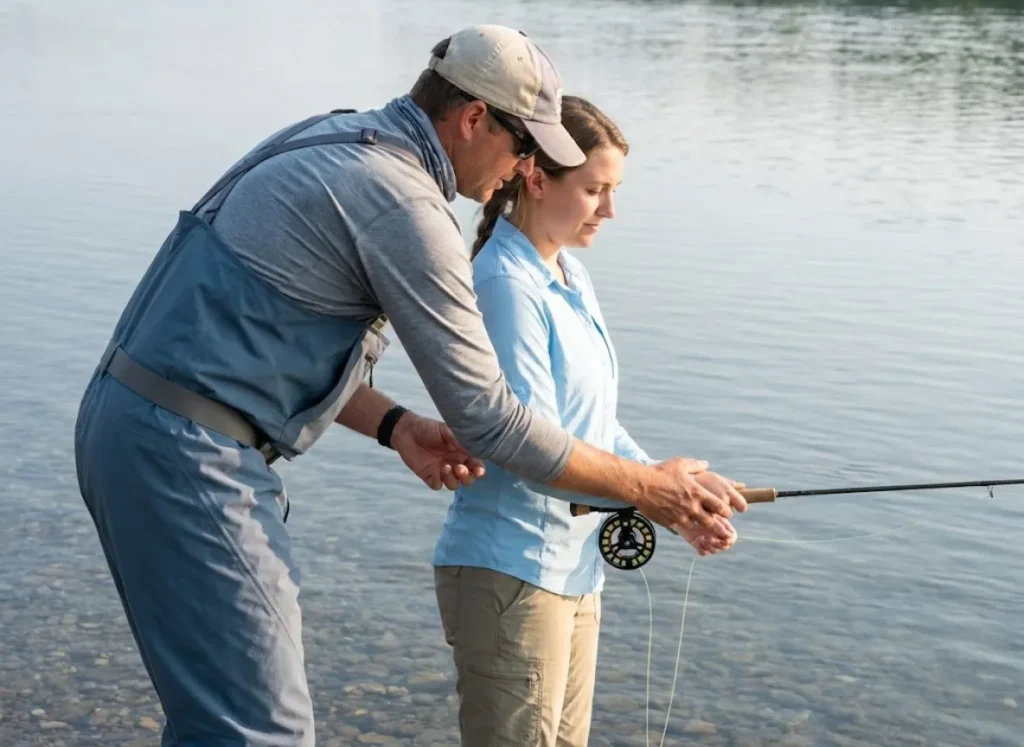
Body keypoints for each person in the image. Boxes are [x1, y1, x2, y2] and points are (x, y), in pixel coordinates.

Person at [73, 24, 747, 747]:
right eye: (525, 147)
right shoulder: (404, 202)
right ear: (473, 118)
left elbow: (256, 341)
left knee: (218, 717)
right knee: (261, 729)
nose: (523, 168)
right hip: (187, 451)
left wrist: (397, 426)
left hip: (134, 420)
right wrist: (649, 487)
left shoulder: (333, 137)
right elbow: (494, 423)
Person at [431, 95, 739, 747]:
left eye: (614, 190)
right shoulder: (504, 286)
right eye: (595, 189)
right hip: (510, 573)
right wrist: (652, 493)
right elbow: (533, 449)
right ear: (537, 178)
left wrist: (673, 486)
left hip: (573, 573)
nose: (610, 209)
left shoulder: (568, 274)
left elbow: (591, 425)